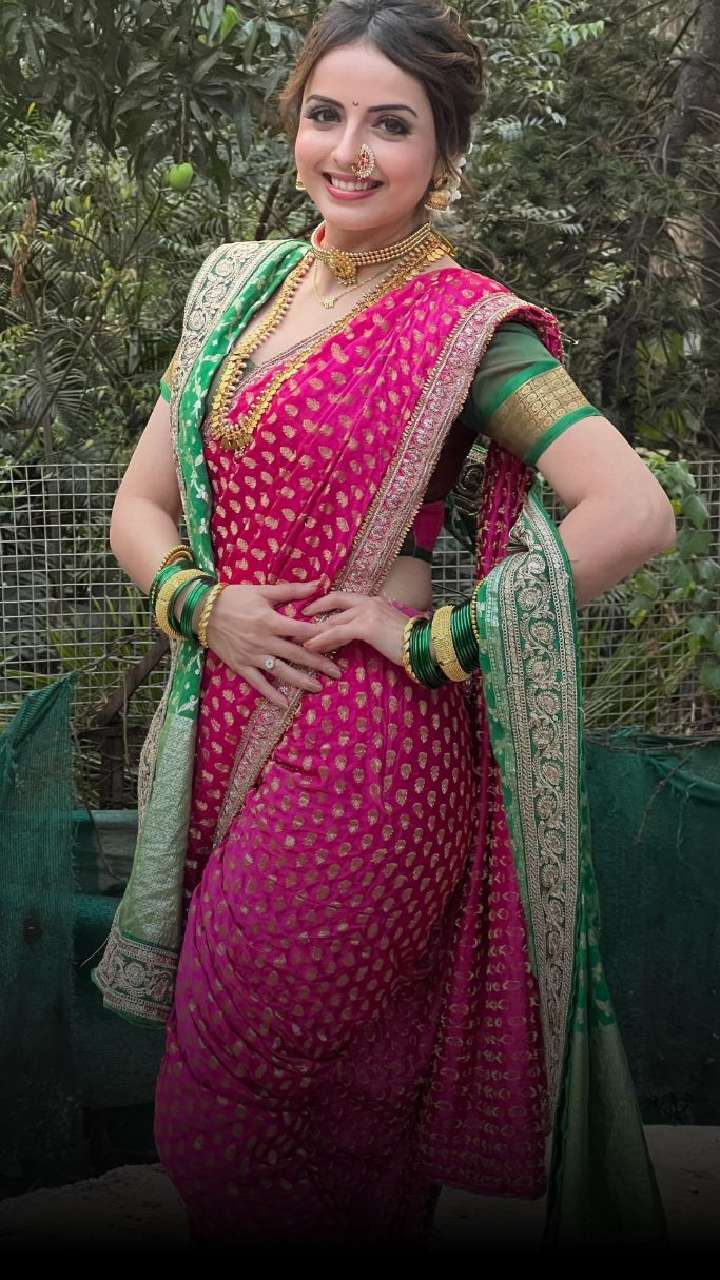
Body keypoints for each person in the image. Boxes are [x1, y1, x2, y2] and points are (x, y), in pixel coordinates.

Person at [92, 0, 675, 1252]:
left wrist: (437, 639)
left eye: (391, 125)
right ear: (295, 122)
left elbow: (632, 511)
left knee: (220, 1105)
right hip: (225, 717)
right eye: (326, 114)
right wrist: (203, 602)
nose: (349, 152)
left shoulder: (472, 327)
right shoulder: (238, 291)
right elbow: (139, 505)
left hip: (368, 754)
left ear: (443, 150)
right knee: (349, 1104)